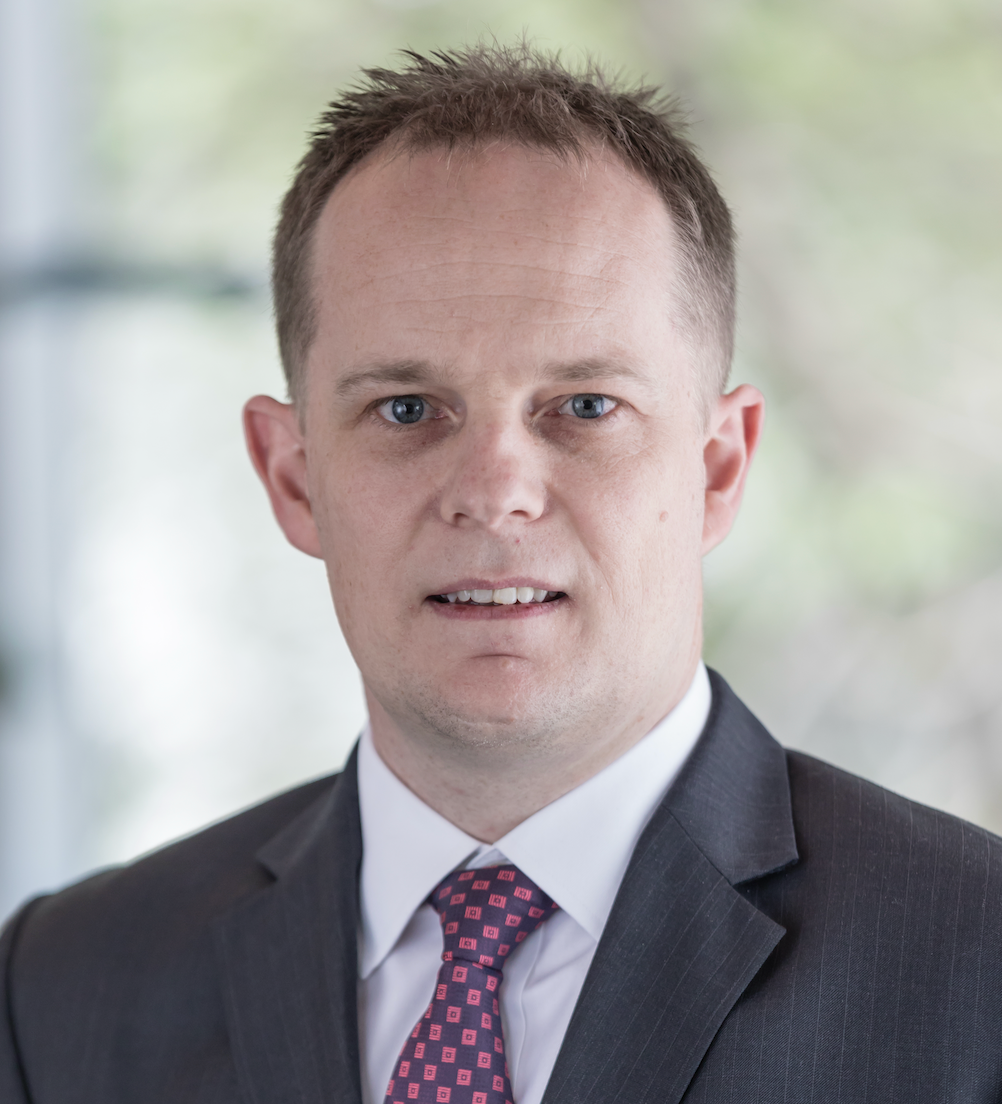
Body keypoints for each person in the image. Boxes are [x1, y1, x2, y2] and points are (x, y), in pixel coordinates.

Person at [2, 43, 1001, 1104]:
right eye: (405, 410)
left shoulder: (976, 972)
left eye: (585, 407)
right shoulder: (61, 992)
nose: (493, 492)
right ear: (292, 478)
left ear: (718, 468)